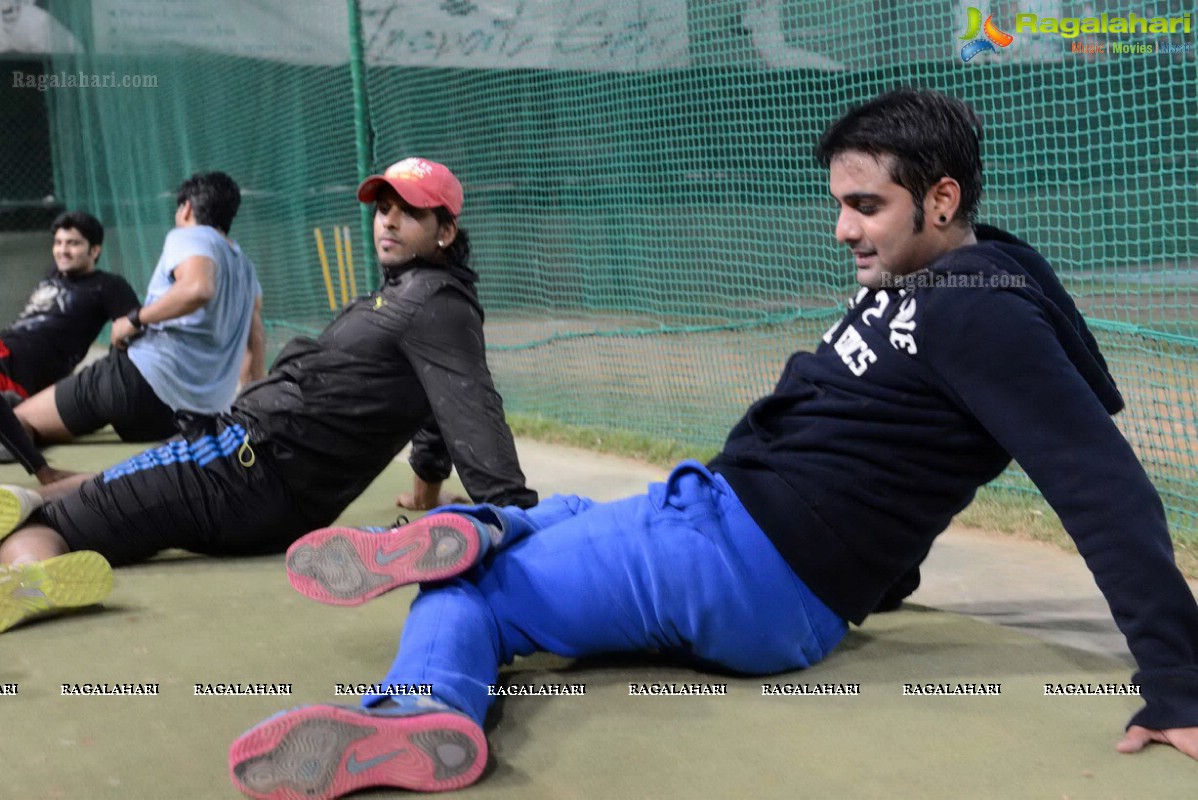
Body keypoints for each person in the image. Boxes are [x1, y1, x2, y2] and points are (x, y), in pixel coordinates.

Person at [227, 90, 1198, 800]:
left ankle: (419, 711)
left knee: (468, 591)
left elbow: (1100, 488)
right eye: (839, 201)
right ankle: (483, 528)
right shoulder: (949, 281)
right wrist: (881, 575)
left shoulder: (980, 313)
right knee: (543, 518)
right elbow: (899, 452)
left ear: (939, 200)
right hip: (722, 519)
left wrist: (1175, 683)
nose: (840, 227)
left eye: (865, 205)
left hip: (745, 568)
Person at [0, 157, 537, 636]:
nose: (388, 222)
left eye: (409, 213)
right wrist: (426, 488)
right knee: (92, 485)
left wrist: (516, 516)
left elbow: (472, 409)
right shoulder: (412, 295)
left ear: (445, 231)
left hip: (244, 474)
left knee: (48, 528)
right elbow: (432, 402)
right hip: (240, 460)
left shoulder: (433, 303)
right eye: (383, 209)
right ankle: (25, 501)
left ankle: (25, 578)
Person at [14, 171, 266, 448]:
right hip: (184, 416)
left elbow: (197, 289)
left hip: (138, 381)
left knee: (15, 423)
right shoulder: (246, 268)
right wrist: (251, 404)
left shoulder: (192, 236)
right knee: (44, 423)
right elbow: (255, 340)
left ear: (187, 209)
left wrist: (134, 319)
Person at [0, 211, 139, 483]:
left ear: (95, 249)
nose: (62, 250)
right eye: (58, 242)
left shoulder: (108, 285)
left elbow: (132, 330)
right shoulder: (52, 276)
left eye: (72, 243)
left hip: (22, 375)